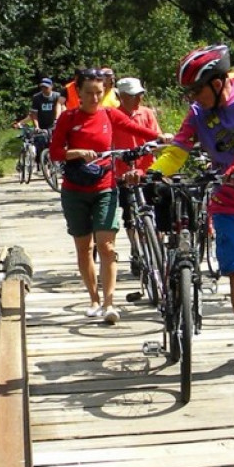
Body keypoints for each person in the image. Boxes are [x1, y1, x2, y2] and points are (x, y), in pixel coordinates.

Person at [149, 45, 234, 380]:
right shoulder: (199, 113)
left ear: (217, 82)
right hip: (226, 205)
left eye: (195, 90)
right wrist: (153, 174)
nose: (192, 98)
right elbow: (178, 149)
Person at [49, 68, 164, 324]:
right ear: (78, 92)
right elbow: (55, 152)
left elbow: (137, 129)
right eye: (88, 93)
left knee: (107, 246)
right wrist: (77, 152)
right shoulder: (68, 118)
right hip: (75, 190)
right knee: (84, 247)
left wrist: (162, 138)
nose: (94, 98)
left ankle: (110, 302)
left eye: (99, 93)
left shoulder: (110, 114)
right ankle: (93, 298)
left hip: (105, 186)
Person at [112, 77, 168, 284]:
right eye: (133, 96)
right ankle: (136, 250)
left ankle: (156, 245)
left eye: (140, 95)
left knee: (157, 206)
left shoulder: (146, 113)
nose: (138, 99)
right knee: (129, 213)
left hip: (147, 170)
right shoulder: (114, 116)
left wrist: (160, 144)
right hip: (123, 172)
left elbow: (158, 137)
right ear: (121, 97)